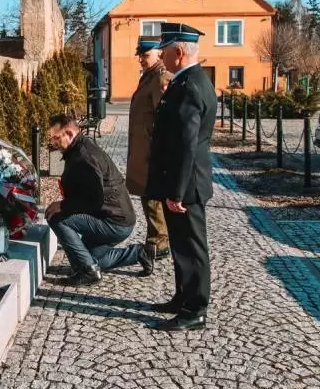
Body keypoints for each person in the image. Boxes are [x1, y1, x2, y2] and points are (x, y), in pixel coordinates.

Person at [144, 22, 217, 331]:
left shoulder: (190, 86)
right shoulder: (186, 81)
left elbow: (187, 144)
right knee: (180, 245)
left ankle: (195, 309)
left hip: (188, 184)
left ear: (179, 52)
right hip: (182, 180)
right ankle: (182, 297)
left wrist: (177, 191)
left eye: (165, 50)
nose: (161, 55)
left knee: (192, 247)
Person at [45, 113, 144, 286]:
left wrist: (63, 205)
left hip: (114, 221)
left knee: (57, 217)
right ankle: (140, 253)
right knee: (90, 258)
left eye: (56, 137)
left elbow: (94, 200)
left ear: (69, 133)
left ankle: (88, 272)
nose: (54, 143)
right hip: (116, 216)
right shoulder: (80, 147)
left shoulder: (83, 157)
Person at [127, 36, 174, 276]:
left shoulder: (161, 77)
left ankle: (159, 242)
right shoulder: (149, 76)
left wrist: (157, 151)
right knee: (147, 196)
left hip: (150, 151)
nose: (141, 59)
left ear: (158, 53)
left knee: (152, 195)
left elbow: (164, 119)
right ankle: (155, 238)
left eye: (145, 55)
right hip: (143, 148)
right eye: (140, 55)